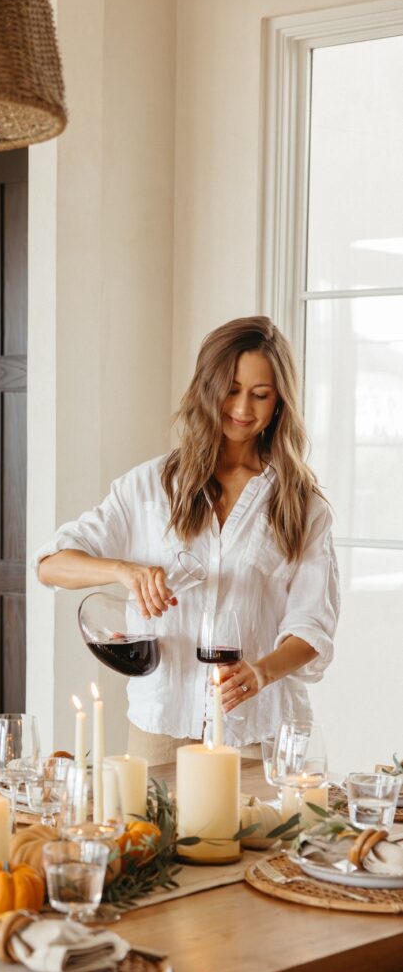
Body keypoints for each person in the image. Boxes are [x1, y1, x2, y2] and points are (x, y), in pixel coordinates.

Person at [34, 316, 340, 765]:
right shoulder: (149, 487)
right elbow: (50, 564)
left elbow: (313, 626)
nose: (242, 408)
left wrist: (261, 672)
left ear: (279, 403)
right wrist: (124, 570)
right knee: (150, 837)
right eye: (231, 389)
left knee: (255, 838)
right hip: (161, 727)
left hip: (256, 732)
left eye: (261, 394)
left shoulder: (302, 505)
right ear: (207, 387)